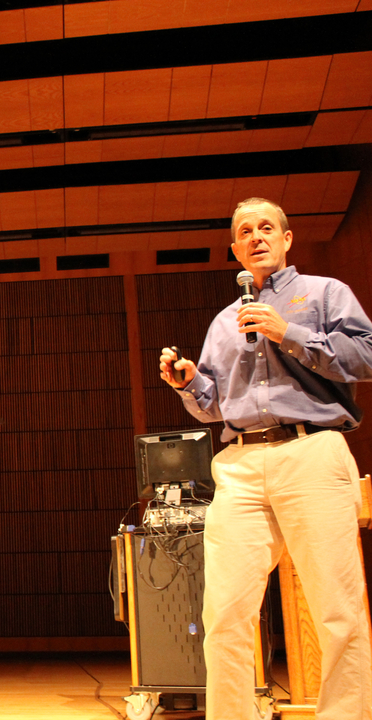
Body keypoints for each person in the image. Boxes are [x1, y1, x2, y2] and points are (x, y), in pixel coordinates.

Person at [158, 197, 372, 720]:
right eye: (246, 231)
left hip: (311, 452)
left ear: (286, 238)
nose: (257, 237)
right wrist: (188, 383)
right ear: (234, 249)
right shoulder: (223, 322)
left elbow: (365, 357)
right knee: (225, 613)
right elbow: (214, 406)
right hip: (240, 466)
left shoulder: (323, 293)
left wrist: (288, 333)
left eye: (267, 228)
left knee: (337, 610)